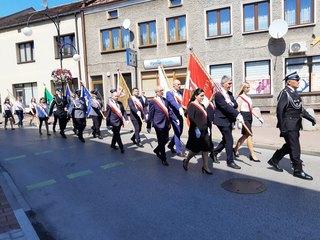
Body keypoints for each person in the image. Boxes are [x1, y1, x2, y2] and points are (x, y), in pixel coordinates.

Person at [268, 72, 316, 180]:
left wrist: (310, 118)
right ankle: (297, 170)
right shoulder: (285, 93)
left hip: (295, 125)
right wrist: (282, 127)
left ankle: (274, 160)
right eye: (297, 80)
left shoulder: (294, 93)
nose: (299, 82)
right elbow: (280, 111)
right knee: (295, 147)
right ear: (289, 82)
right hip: (288, 125)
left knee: (290, 145)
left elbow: (299, 108)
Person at [212, 75, 243, 169]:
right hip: (221, 120)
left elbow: (235, 103)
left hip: (229, 120)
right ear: (223, 84)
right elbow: (225, 107)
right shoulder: (218, 94)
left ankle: (214, 152)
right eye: (229, 83)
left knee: (225, 139)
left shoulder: (229, 94)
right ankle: (230, 161)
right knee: (229, 139)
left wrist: (231, 104)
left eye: (231, 83)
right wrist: (237, 114)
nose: (230, 85)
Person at [182, 88, 212, 175]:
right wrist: (196, 129)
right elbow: (191, 118)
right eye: (201, 96)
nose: (203, 97)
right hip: (196, 131)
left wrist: (208, 127)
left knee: (206, 148)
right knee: (195, 150)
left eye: (203, 95)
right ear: (196, 96)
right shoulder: (191, 105)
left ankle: (205, 167)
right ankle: (186, 161)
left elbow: (205, 117)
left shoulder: (202, 106)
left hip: (204, 130)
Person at [147, 86, 177, 166]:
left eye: (162, 90)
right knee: (161, 141)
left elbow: (169, 111)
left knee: (166, 140)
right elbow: (151, 114)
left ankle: (157, 150)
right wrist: (148, 125)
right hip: (158, 124)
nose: (161, 92)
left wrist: (175, 118)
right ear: (156, 92)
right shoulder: (153, 102)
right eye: (160, 91)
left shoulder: (165, 100)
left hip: (166, 124)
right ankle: (164, 159)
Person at [233, 82, 264, 162]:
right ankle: (252, 155)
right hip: (243, 117)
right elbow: (238, 110)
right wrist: (239, 120)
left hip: (249, 117)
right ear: (243, 88)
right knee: (249, 135)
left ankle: (235, 148)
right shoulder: (240, 98)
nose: (248, 89)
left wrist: (258, 117)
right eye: (247, 87)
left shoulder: (249, 98)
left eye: (249, 87)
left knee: (245, 135)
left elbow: (251, 109)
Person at [166, 80, 186, 157]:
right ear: (174, 85)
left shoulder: (180, 93)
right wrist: (179, 108)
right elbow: (172, 102)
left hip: (181, 115)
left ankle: (171, 145)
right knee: (177, 132)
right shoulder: (169, 93)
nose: (180, 86)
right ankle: (179, 151)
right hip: (174, 116)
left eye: (180, 84)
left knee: (180, 132)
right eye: (178, 84)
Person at [106, 89, 128, 153]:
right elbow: (108, 115)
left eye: (117, 96)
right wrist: (108, 124)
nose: (117, 97)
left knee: (115, 134)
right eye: (115, 96)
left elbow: (123, 111)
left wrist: (126, 119)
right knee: (117, 135)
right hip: (113, 122)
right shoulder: (110, 104)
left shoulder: (120, 103)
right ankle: (121, 147)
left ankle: (112, 145)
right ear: (112, 96)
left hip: (119, 122)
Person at [206, 97, 219, 163]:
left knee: (209, 135)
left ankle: (210, 149)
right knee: (205, 137)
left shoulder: (212, 101)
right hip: (205, 121)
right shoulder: (205, 99)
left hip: (210, 121)